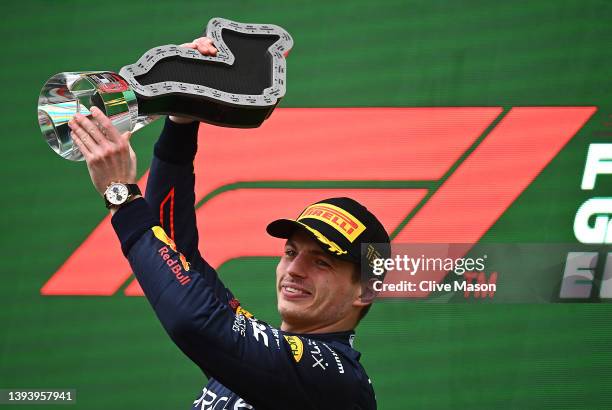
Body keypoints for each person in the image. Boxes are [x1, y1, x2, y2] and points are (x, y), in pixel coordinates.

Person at [68, 37, 390, 410]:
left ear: (364, 291)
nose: (294, 270)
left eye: (322, 262)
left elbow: (195, 322)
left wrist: (121, 194)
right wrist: (182, 117)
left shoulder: (338, 379)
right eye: (291, 252)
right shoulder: (260, 349)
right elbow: (175, 252)